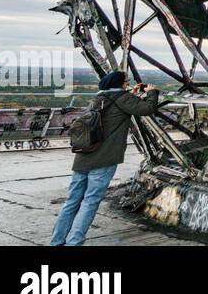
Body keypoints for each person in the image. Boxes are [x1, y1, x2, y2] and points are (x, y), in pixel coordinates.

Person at [50, 71, 158, 246]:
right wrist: (153, 92)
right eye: (126, 81)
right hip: (104, 158)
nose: (127, 83)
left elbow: (118, 106)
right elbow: (147, 109)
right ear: (121, 84)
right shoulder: (123, 98)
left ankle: (56, 241)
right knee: (90, 201)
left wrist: (132, 95)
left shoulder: (98, 98)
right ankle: (74, 242)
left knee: (72, 201)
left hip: (83, 157)